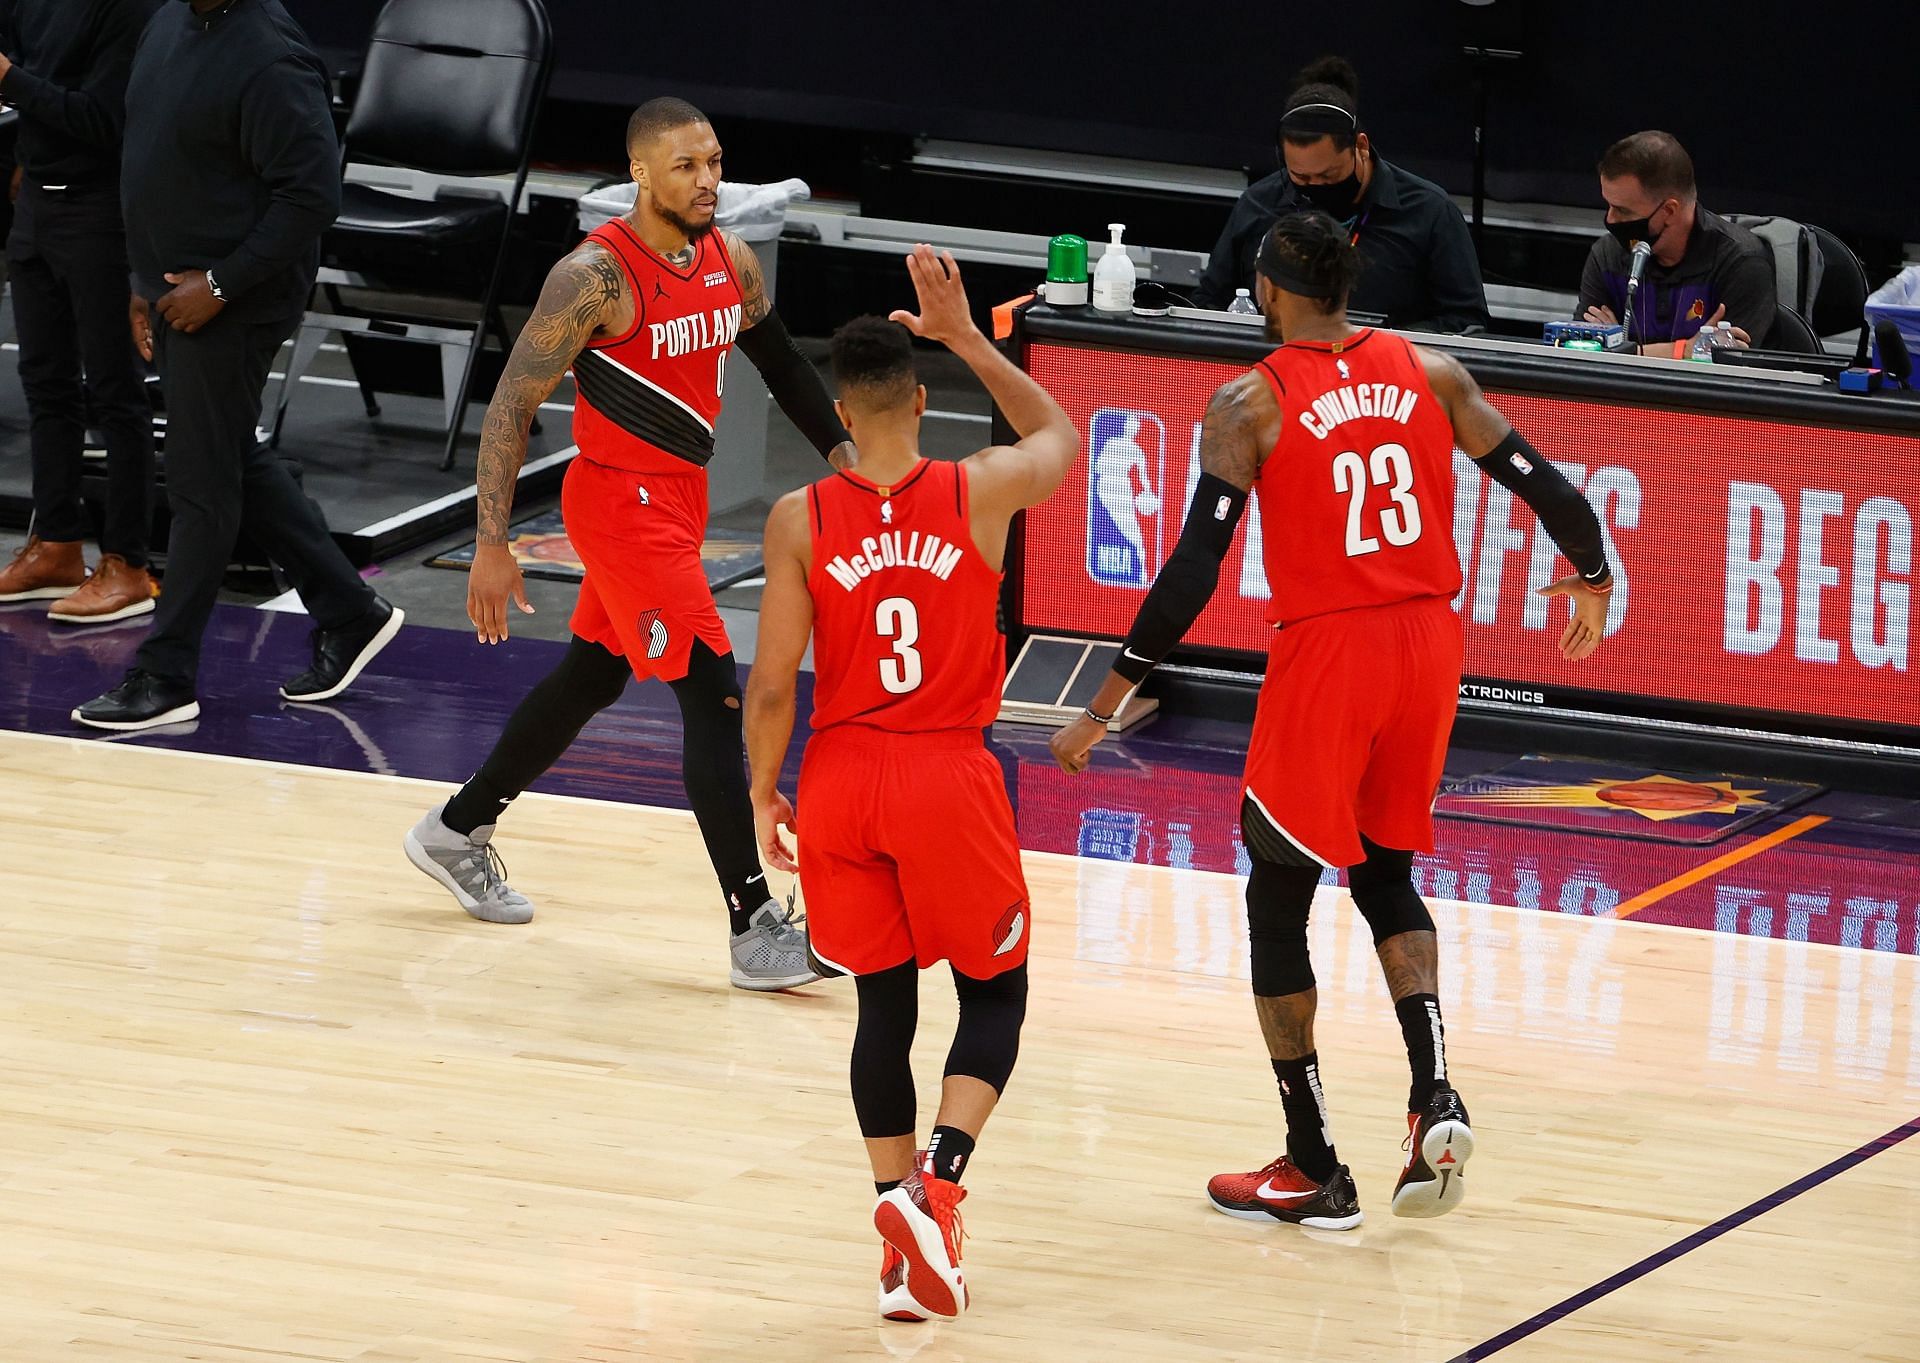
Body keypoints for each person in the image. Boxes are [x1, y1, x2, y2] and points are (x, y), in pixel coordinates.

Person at [1052, 211, 1615, 1230]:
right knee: (1387, 870)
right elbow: (1538, 478)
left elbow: (1192, 567)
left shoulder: (1248, 402)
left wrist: (1106, 696)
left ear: (1270, 289)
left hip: (1333, 653)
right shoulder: (1429, 369)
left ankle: (1312, 1162)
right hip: (1428, 647)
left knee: (1278, 895)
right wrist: (1592, 574)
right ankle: (1433, 1089)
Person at [403, 98, 857, 991]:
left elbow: (783, 364)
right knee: (709, 685)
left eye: (716, 162)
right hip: (617, 504)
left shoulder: (731, 257)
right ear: (640, 174)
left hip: (677, 499)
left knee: (594, 674)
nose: (708, 181)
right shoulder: (594, 278)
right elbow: (510, 404)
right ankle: (753, 925)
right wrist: (493, 539)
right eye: (687, 167)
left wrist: (850, 466)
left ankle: (456, 828)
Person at [744, 246, 1076, 1320]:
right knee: (998, 991)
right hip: (944, 769)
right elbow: (1061, 438)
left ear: (840, 405)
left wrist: (764, 792)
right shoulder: (978, 490)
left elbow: (770, 685)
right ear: (921, 399)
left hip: (840, 775)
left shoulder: (801, 516)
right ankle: (935, 1183)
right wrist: (973, 335)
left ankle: (899, 1240)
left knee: (882, 1007)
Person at [72, 0, 402, 730]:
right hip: (174, 288)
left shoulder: (270, 56)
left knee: (199, 485)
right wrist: (141, 279)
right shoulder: (167, 22)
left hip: (237, 299)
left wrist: (219, 284)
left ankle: (166, 676)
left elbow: (313, 195)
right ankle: (349, 610)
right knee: (225, 458)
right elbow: (148, 159)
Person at [0, 0, 158, 624]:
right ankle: (58, 544)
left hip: (100, 213)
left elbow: (102, 120)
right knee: (45, 383)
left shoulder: (129, 11)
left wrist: (8, 78)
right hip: (37, 203)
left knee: (116, 394)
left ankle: (128, 563)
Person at [1194, 56, 1487, 334]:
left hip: (1383, 379)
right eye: (1301, 177)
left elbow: (1467, 322)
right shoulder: (1259, 203)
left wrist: (1384, 344)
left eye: (1328, 176)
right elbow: (1207, 302)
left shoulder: (1430, 212)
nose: (1316, 185)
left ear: (1360, 147)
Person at [1578, 130, 1774, 353]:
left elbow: (1729, 366)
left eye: (1623, 210)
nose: (1610, 219)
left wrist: (1619, 349)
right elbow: (1581, 350)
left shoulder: (1742, 263)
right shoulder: (1607, 255)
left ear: (1669, 210)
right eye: (1609, 205)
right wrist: (1687, 350)